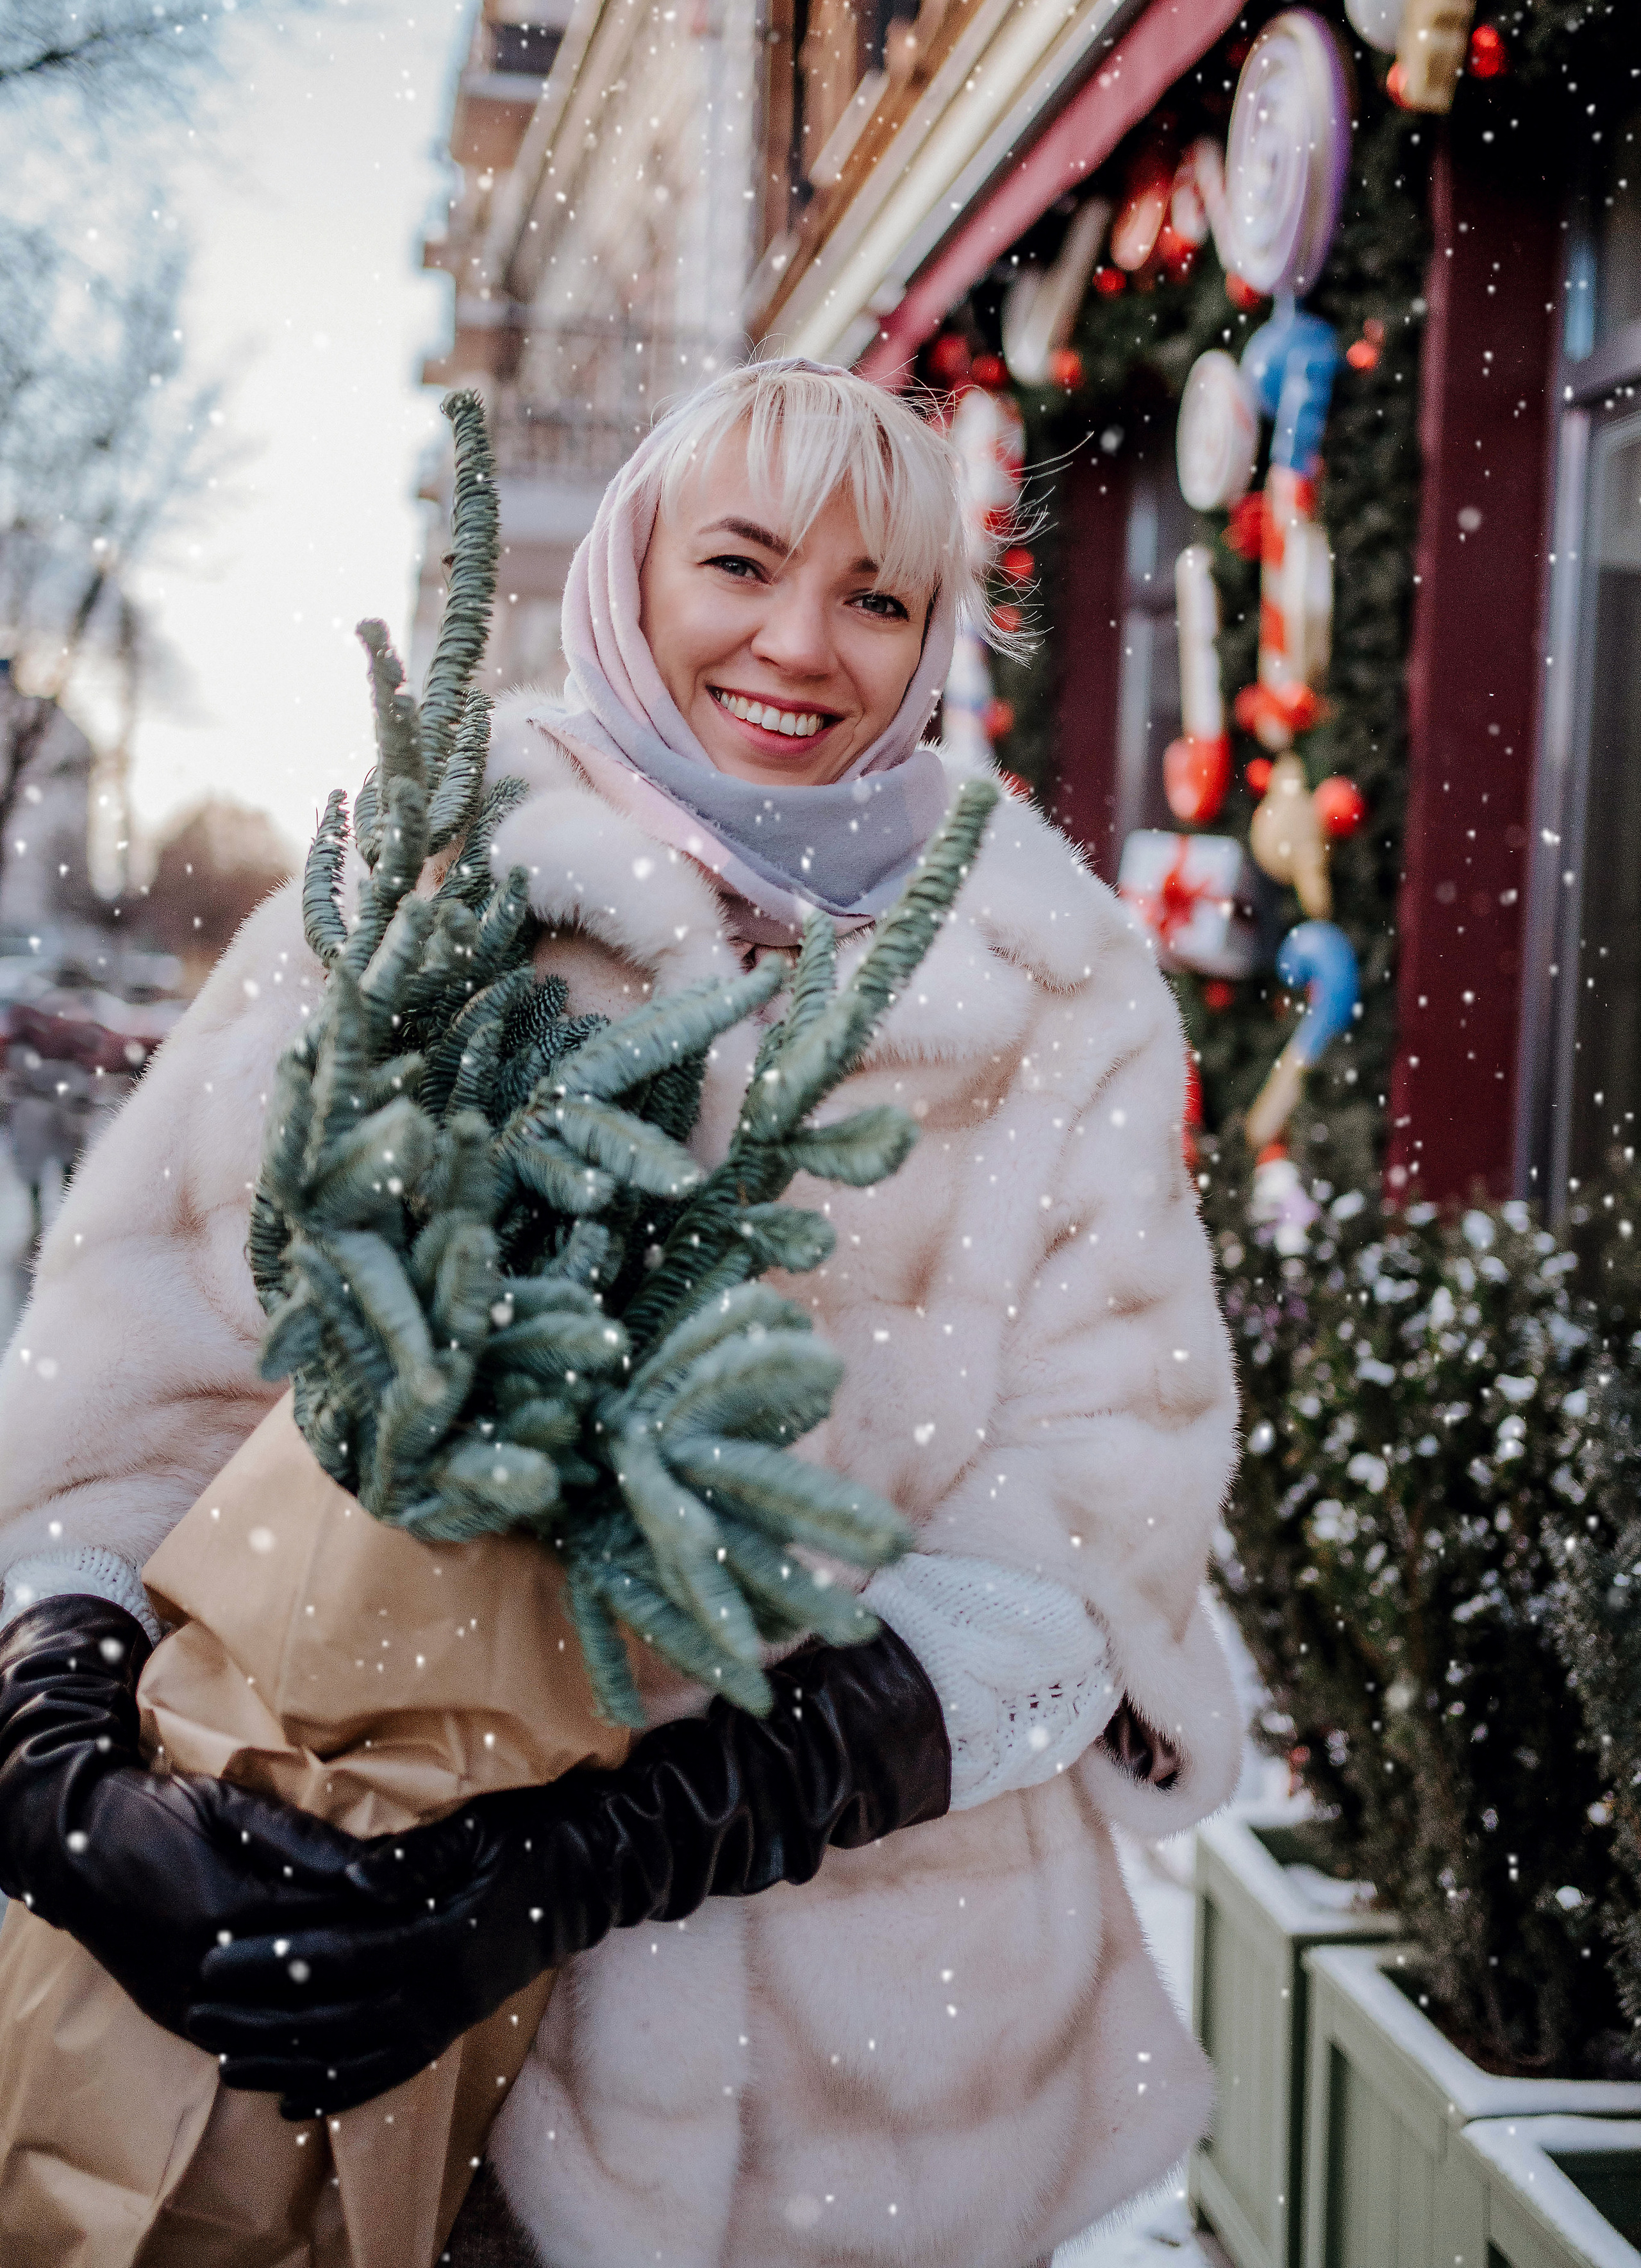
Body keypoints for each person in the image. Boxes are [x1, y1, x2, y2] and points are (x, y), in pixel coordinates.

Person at [0, 358, 1241, 2267]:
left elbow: (1088, 1548)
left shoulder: (1053, 986)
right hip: (376, 2053)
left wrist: (608, 1852)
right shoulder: (431, 879)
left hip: (872, 2101)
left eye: (877, 597)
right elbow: (114, 1416)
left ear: (927, 646)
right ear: (636, 575)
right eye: (743, 562)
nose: (801, 645)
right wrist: (67, 1786)